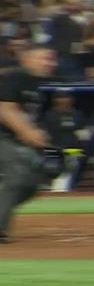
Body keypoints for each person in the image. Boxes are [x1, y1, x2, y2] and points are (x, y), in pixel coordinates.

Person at [0, 44, 57, 243]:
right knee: (17, 176)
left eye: (50, 59)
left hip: (13, 138)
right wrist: (26, 131)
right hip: (4, 137)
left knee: (34, 182)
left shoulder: (35, 84)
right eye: (43, 58)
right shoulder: (15, 77)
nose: (48, 63)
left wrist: (36, 134)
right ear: (26, 58)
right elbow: (5, 109)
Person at [42, 88, 89, 192]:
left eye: (66, 97)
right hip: (54, 150)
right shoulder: (49, 115)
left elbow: (84, 136)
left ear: (71, 99)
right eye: (60, 97)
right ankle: (57, 189)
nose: (63, 100)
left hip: (72, 150)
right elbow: (44, 136)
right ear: (55, 100)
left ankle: (62, 190)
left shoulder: (78, 115)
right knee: (52, 164)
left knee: (72, 162)